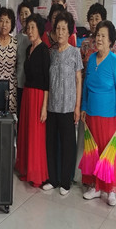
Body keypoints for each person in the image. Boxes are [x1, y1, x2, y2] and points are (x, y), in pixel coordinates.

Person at [81, 20, 116, 206]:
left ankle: (109, 190)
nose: (99, 39)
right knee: (94, 151)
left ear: (110, 41)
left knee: (109, 152)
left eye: (103, 36)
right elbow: (86, 86)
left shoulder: (114, 61)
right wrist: (84, 107)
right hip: (91, 114)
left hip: (109, 116)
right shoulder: (91, 59)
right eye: (97, 35)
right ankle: (96, 187)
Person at [43, 11, 82, 196]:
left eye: (63, 29)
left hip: (68, 106)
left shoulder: (75, 52)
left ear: (69, 32)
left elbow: (78, 80)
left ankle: (65, 181)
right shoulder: (50, 53)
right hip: (52, 106)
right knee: (51, 144)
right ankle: (53, 179)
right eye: (57, 28)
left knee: (68, 145)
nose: (60, 32)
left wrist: (77, 107)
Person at [15, 13, 49, 187]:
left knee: (36, 136)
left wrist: (44, 106)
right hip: (27, 94)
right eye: (28, 28)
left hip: (38, 97)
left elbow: (46, 82)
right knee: (26, 133)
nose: (29, 31)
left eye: (33, 28)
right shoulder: (28, 49)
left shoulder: (44, 50)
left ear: (39, 29)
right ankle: (26, 170)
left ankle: (36, 174)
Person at [0, 7, 18, 114]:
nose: (4, 25)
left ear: (12, 24)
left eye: (7, 21)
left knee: (10, 120)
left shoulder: (16, 43)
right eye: (1, 21)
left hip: (11, 89)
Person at [80, 2, 116, 74]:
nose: (94, 23)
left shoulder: (110, 43)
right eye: (91, 19)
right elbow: (80, 69)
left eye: (97, 19)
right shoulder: (85, 44)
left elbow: (115, 68)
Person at [16, 1, 33, 116]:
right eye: (21, 14)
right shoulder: (16, 37)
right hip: (18, 83)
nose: (23, 17)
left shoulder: (36, 37)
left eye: (26, 13)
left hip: (32, 85)